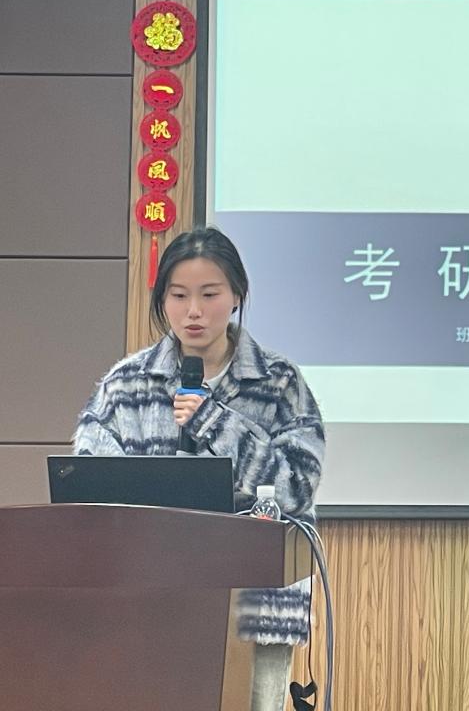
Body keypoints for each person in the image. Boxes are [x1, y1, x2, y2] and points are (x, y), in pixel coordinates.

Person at [73, 226, 325, 711]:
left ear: (236, 296)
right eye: (179, 295)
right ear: (162, 299)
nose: (194, 311)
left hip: (255, 605)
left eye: (209, 295)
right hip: (148, 601)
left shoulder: (278, 383)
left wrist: (214, 421)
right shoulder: (126, 384)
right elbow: (89, 491)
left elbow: (297, 486)